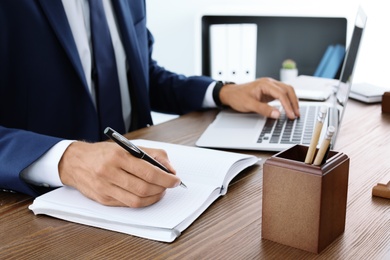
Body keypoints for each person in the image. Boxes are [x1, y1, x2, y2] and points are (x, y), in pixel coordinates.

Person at [0, 0, 300, 208]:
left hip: (144, 191)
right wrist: (66, 160)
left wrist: (219, 92)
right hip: (47, 204)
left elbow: (143, 76)